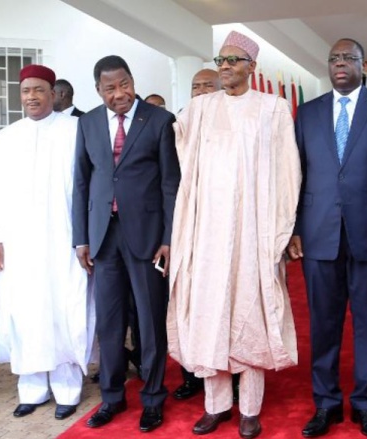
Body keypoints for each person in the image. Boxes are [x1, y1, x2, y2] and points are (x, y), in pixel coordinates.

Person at [168, 30, 301, 439]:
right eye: (221, 60)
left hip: (252, 230)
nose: (225, 67)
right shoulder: (199, 108)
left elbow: (287, 171)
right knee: (210, 313)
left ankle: (249, 408)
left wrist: (281, 229)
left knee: (250, 313)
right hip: (207, 231)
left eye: (233, 60)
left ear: (251, 67)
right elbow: (179, 154)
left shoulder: (273, 108)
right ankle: (215, 405)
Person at [289, 37, 367, 439]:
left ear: (363, 64)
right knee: (323, 325)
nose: (340, 64)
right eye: (333, 58)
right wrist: (295, 229)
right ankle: (326, 404)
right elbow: (295, 177)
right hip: (319, 235)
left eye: (348, 58)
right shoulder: (307, 113)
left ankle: (366, 405)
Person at [0, 64, 95, 421]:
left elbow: (90, 187)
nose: (32, 96)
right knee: (24, 312)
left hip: (63, 241)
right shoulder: (6, 139)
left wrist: (85, 238)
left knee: (64, 308)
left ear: (53, 93)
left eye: (39, 90)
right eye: (26, 90)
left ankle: (67, 389)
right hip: (20, 244)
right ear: (20, 94)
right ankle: (31, 389)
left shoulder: (76, 131)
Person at [73, 55, 179, 432]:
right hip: (103, 236)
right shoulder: (86, 123)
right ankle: (112, 397)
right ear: (98, 90)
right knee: (110, 321)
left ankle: (152, 398)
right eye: (109, 88)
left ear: (132, 81)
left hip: (147, 236)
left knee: (150, 321)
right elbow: (81, 182)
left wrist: (169, 239)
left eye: (124, 85)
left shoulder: (160, 121)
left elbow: (170, 184)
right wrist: (81, 238)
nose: (120, 94)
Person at [171, 67, 222, 402]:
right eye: (195, 86)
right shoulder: (177, 123)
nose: (201, 91)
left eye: (208, 85)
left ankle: (226, 375)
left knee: (219, 305)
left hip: (220, 233)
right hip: (186, 229)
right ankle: (191, 376)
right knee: (187, 304)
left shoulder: (227, 123)